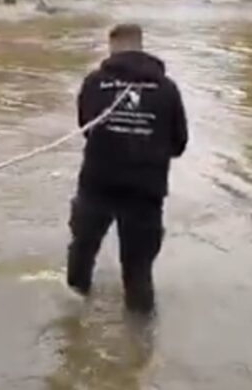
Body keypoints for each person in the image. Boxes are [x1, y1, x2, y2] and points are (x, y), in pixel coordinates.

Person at [67, 23, 188, 315]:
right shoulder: (167, 88)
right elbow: (179, 143)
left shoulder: (94, 82)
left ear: (112, 46)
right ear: (140, 45)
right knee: (138, 271)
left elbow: (86, 128)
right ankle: (141, 346)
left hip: (98, 185)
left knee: (82, 255)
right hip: (145, 191)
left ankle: (71, 326)